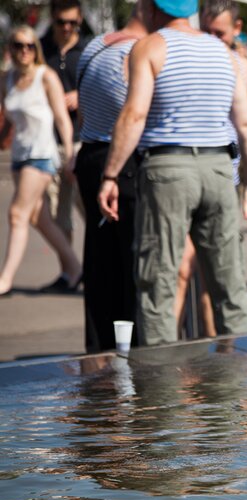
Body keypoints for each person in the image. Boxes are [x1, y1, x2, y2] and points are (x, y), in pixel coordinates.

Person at [97, 0, 247, 346]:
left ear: (150, 7)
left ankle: (162, 386)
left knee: (158, 276)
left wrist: (110, 175)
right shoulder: (224, 52)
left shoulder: (150, 47)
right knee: (228, 281)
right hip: (219, 169)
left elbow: (134, 115)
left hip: (168, 168)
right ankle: (240, 381)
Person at [74, 2, 147, 352]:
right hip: (122, 163)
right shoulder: (139, 50)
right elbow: (134, 113)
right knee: (134, 265)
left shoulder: (95, 45)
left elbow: (85, 109)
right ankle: (135, 356)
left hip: (89, 153)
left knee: (99, 265)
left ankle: (100, 355)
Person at [0, 26, 80, 297]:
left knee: (17, 214)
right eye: (18, 45)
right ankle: (74, 267)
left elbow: (61, 118)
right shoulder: (7, 79)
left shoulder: (46, 76)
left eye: (29, 45)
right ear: (10, 49)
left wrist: (69, 156)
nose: (24, 50)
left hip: (42, 154)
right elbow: (8, 122)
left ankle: (5, 280)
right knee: (39, 219)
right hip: (20, 156)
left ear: (36, 49)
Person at [40, 0, 88, 252]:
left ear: (80, 19)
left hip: (81, 140)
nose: (67, 27)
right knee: (58, 213)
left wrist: (81, 95)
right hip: (48, 142)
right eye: (61, 22)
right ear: (52, 18)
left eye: (73, 22)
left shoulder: (88, 49)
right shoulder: (40, 49)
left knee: (90, 208)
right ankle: (69, 271)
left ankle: (98, 271)